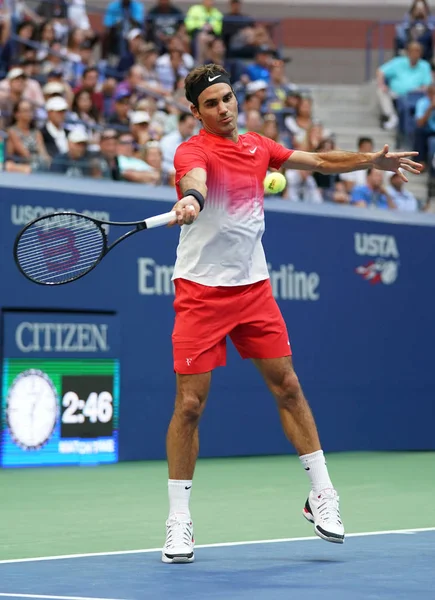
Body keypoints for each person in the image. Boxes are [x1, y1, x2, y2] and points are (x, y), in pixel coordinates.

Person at [162, 63, 421, 564]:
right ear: (196, 112)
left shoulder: (261, 147)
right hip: (200, 290)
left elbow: (321, 161)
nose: (224, 109)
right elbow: (193, 179)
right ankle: (179, 519)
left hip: (253, 288)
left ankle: (322, 494)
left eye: (228, 98)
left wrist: (372, 159)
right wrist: (192, 199)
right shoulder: (192, 151)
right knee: (190, 405)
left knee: (288, 386)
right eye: (211, 104)